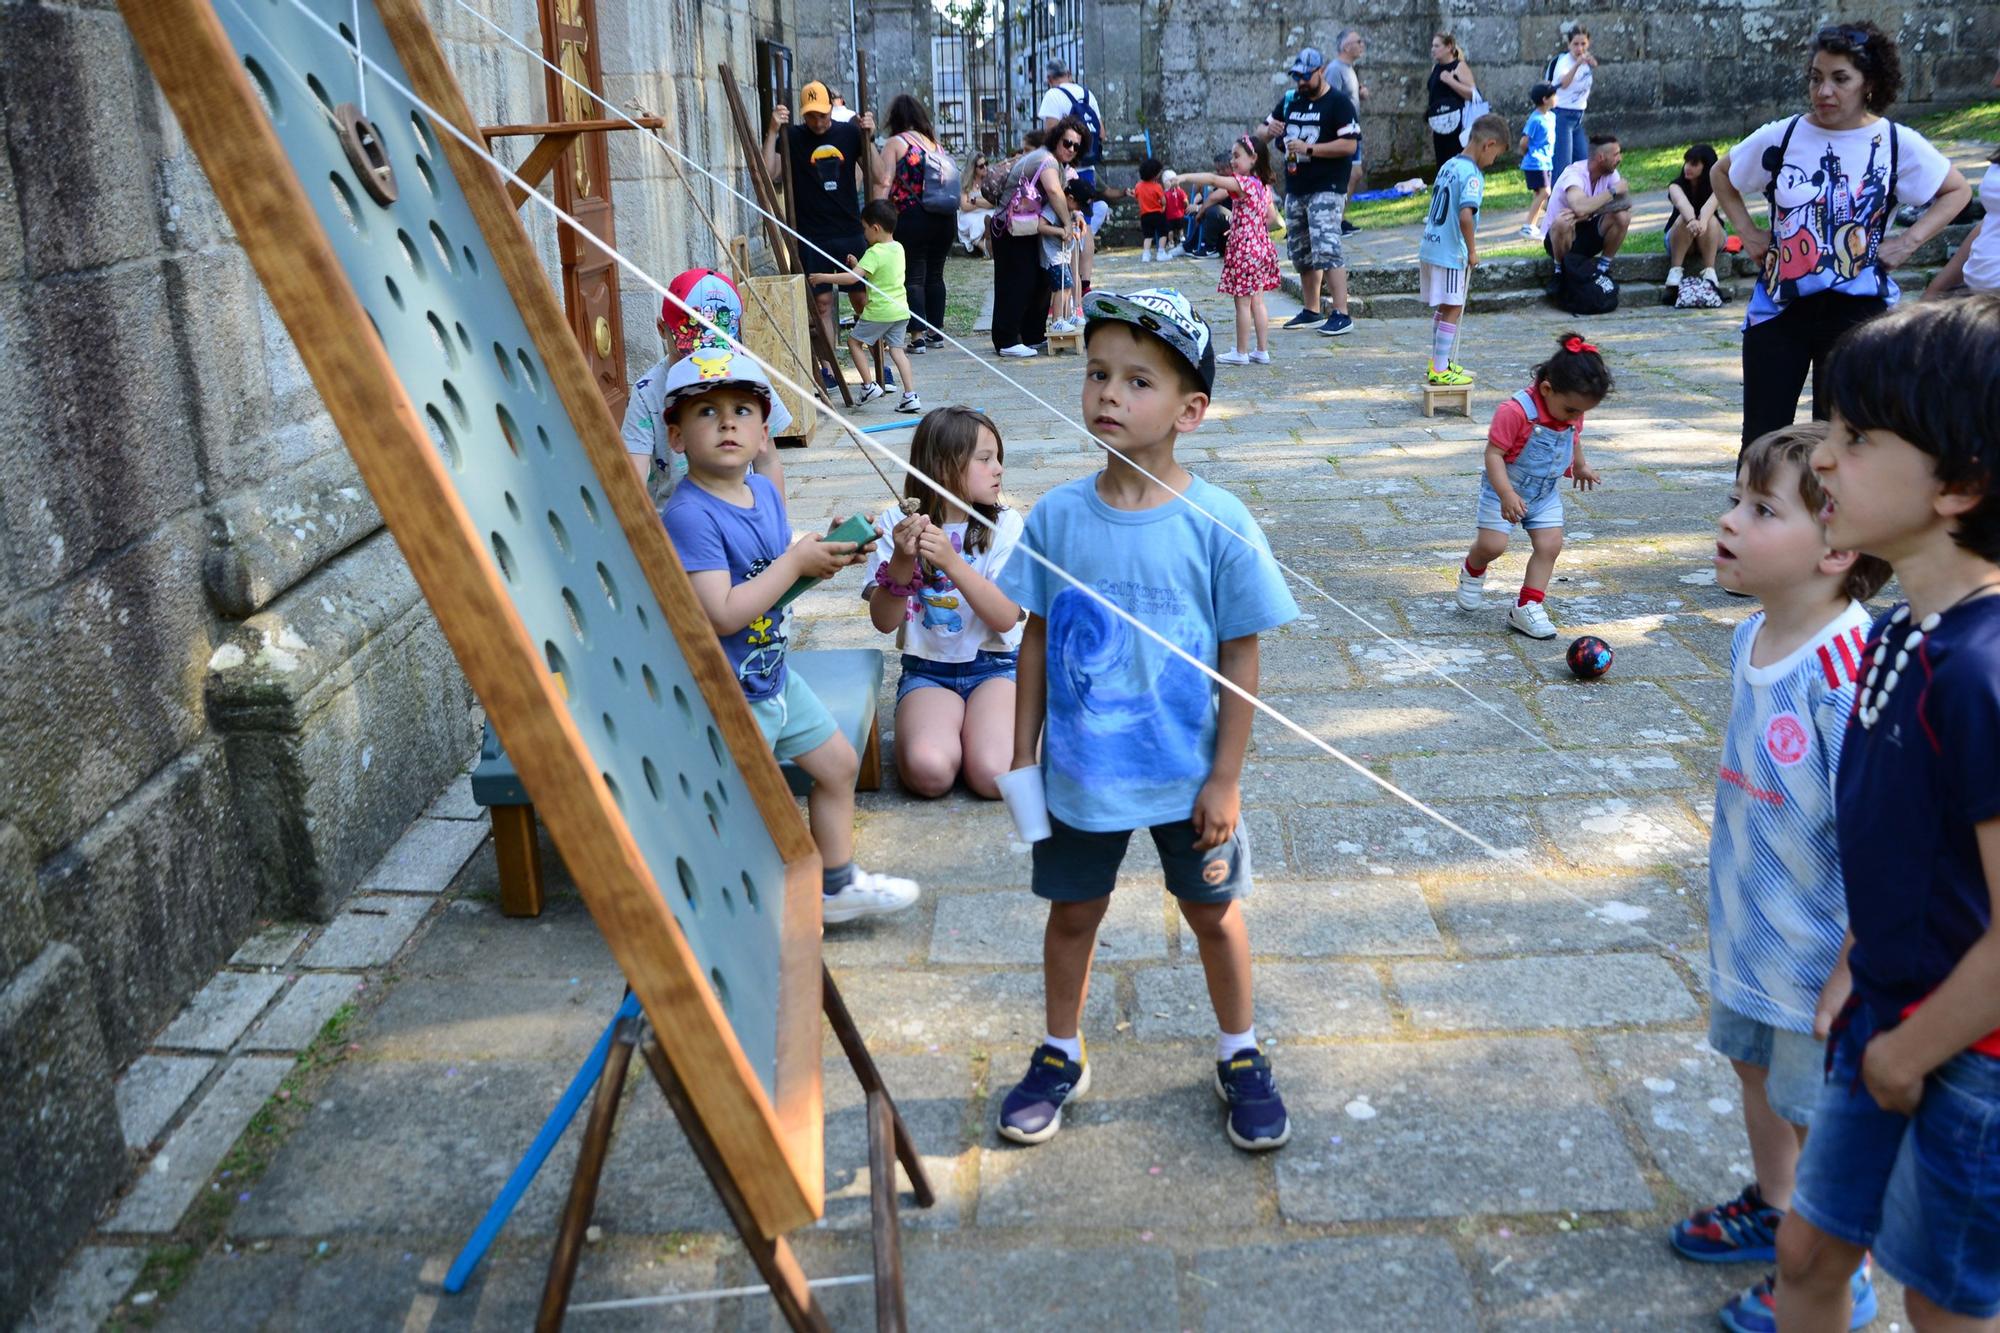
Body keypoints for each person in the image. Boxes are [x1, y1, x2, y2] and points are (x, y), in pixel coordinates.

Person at [993, 286, 1301, 1151]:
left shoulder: (1220, 524)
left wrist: (1227, 777)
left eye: (1138, 381)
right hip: (1080, 775)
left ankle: (1239, 1051)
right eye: (1097, 374)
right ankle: (1060, 1049)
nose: (1108, 396)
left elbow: (1243, 654)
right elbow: (1035, 640)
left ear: (1190, 410)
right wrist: (1022, 758)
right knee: (1072, 914)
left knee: (1214, 912)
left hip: (1185, 777)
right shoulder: (1055, 516)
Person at [1779, 294, 2000, 1333]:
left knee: (1940, 1305)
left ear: (1957, 484)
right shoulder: (1897, 634)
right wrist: (1853, 963)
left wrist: (1907, 1053)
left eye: (1855, 438)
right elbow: (1907, 850)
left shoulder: (1978, 672)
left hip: (1961, 1060)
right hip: (1881, 1013)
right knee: (1808, 1251)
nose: (1821, 459)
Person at [1668, 422, 1891, 1333]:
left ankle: (1842, 1265)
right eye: (1735, 499)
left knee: (1817, 1113)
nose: (1728, 520)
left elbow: (1886, 844)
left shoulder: (1850, 675)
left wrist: (1853, 964)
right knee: (1753, 1071)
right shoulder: (1752, 635)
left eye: (1760, 509)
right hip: (1749, 925)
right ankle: (1774, 1204)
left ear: (1837, 550)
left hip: (1819, 963)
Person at [656, 348, 920, 925]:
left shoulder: (765, 495)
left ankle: (836, 885)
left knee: (836, 764)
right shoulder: (689, 516)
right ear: (676, 437)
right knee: (739, 812)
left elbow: (773, 574)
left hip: (772, 675)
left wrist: (824, 551)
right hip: (725, 696)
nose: (728, 422)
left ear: (764, 430)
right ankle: (719, 915)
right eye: (706, 413)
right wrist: (795, 562)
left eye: (743, 410)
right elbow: (723, 613)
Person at [1713, 22, 1970, 450]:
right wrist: (1750, 233)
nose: (1824, 92)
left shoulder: (1893, 142)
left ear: (1869, 83)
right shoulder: (1786, 135)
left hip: (1859, 314)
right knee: (1762, 437)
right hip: (1780, 312)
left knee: (1843, 440)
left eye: (1839, 79)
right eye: (1816, 78)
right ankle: (1756, 513)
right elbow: (1723, 173)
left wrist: (1909, 242)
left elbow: (1957, 190)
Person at [864, 406, 1023, 799]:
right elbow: (884, 622)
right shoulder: (894, 524)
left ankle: (1028, 721)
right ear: (941, 466)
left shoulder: (1005, 525)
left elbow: (1005, 617)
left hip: (997, 667)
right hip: (928, 671)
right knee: (929, 772)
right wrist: (902, 560)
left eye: (997, 457)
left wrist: (952, 562)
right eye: (985, 459)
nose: (999, 468)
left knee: (993, 774)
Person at [1453, 333, 1611, 640]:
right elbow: (1494, 455)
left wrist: (1579, 465)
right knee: (1492, 546)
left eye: (1582, 412)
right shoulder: (1514, 412)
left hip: (1544, 495)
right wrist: (1506, 494)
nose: (1576, 418)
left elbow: (1573, 437)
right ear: (1547, 389)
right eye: (1571, 411)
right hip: (1503, 490)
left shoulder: (1571, 412)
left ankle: (1527, 606)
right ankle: (1473, 569)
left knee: (1550, 545)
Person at [624, 269, 792, 503]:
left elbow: (767, 460)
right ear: (662, 328)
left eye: (716, 345)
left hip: (740, 513)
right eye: (692, 350)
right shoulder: (647, 392)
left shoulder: (746, 375)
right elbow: (632, 476)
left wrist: (777, 524)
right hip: (674, 522)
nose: (704, 362)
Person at [764, 82, 877, 368]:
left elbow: (878, 174)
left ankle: (875, 361)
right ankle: (830, 368)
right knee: (822, 304)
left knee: (862, 299)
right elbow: (768, 173)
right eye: (811, 116)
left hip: (849, 228)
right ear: (803, 115)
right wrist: (774, 130)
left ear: (831, 109)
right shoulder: (793, 136)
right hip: (812, 233)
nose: (817, 121)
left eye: (822, 115)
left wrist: (869, 138)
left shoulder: (849, 133)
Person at [1257, 46, 1360, 336]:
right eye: (1297, 76)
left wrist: (1310, 148)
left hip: (1327, 186)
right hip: (1297, 186)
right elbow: (1260, 133)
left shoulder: (1338, 104)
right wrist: (1270, 130)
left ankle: (1342, 312)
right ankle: (1311, 309)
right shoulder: (1290, 101)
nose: (1301, 82)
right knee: (1301, 250)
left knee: (1327, 247)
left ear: (1321, 71)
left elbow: (1350, 145)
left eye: (1306, 76)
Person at [1419, 114, 1508, 389]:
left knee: (1447, 305)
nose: (1492, 162)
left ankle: (1439, 361)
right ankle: (1440, 367)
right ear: (1488, 145)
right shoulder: (1472, 175)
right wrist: (1472, 251)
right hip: (1451, 251)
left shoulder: (1449, 164)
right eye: (1496, 155)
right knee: (1454, 306)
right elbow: (1465, 216)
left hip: (1431, 244)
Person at [1174, 137, 1282, 364]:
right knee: (1258, 302)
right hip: (1261, 246)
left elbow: (1214, 180)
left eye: (1236, 156)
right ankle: (1262, 351)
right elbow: (1271, 217)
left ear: (1253, 159)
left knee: (1242, 303)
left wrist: (1183, 177)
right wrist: (1247, 226)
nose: (1232, 161)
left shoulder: (1244, 183)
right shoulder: (1263, 184)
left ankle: (1241, 352)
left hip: (1245, 251)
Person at [807, 199, 921, 414]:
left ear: (876, 228)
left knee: (854, 343)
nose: (865, 233)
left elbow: (852, 280)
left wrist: (824, 277)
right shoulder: (898, 248)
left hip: (879, 311)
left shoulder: (874, 252)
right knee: (897, 351)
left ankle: (869, 386)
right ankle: (910, 395)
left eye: (865, 228)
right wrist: (857, 264)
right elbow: (877, 273)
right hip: (900, 309)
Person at [988, 118, 1083, 358]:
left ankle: (1032, 334)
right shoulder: (1046, 159)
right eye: (1067, 142)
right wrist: (1067, 224)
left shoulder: (1054, 162)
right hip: (1010, 227)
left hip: (1026, 228)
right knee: (1016, 281)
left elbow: (1062, 196)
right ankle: (1007, 339)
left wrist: (1073, 216)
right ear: (1056, 139)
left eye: (1076, 146)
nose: (1071, 149)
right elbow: (1053, 191)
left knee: (1038, 280)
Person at [875, 94, 954, 350]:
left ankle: (917, 336)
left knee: (913, 275)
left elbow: (885, 181)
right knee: (935, 275)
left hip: (912, 216)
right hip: (944, 218)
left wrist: (876, 215)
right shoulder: (935, 145)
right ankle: (936, 331)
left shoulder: (896, 143)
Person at [1545, 134, 1631, 274]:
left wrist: (1589, 213)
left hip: (1588, 233)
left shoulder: (1610, 173)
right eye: (1616, 154)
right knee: (1563, 221)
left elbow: (1626, 203)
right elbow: (1579, 207)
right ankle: (1559, 270)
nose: (1619, 158)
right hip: (1560, 238)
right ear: (1601, 157)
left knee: (1623, 216)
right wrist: (1612, 191)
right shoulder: (1574, 175)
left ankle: (1603, 268)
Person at [1664, 143, 1726, 293]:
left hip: (1711, 235)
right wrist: (1692, 221)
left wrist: (1702, 222)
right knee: (1682, 219)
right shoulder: (1675, 186)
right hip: (1680, 237)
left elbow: (1709, 207)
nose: (1687, 167)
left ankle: (1710, 272)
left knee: (1711, 220)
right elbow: (1681, 203)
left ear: (1706, 166)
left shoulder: (1718, 185)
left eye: (1694, 164)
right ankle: (1675, 271)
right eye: (1686, 162)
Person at [1331, 27, 1368, 233]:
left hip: (1352, 130)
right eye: (1358, 42)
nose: (1362, 45)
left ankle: (1339, 220)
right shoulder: (1336, 69)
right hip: (1343, 132)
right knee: (1351, 175)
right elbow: (1331, 99)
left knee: (1354, 174)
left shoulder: (1348, 68)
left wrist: (1358, 93)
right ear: (1346, 46)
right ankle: (1336, 221)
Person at [1549, 28, 1597, 181]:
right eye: (1575, 44)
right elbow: (1563, 83)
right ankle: (1555, 202)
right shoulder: (1565, 62)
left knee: (1583, 162)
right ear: (1569, 44)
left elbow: (1590, 71)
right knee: (1563, 165)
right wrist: (1576, 65)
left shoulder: (1585, 60)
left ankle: (1580, 198)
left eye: (1583, 44)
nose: (1579, 48)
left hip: (1577, 117)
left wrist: (1591, 63)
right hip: (1562, 115)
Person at [1425, 33, 1477, 170]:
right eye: (1432, 46)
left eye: (1437, 46)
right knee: (1442, 164)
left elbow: (1473, 94)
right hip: (1439, 124)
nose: (1433, 49)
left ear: (1449, 47)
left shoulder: (1459, 66)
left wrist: (1451, 81)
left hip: (1457, 124)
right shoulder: (1435, 68)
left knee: (1456, 161)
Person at [1519, 83, 1558, 237]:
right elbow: (1524, 142)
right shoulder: (1535, 120)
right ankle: (1528, 225)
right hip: (1536, 162)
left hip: (1546, 161)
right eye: (1553, 96)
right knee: (1545, 192)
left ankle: (1533, 225)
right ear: (1545, 99)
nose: (1556, 98)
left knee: (1541, 194)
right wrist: (1527, 154)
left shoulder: (1551, 117)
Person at [957, 152, 996, 257]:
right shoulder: (966, 181)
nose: (985, 168)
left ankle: (988, 245)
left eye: (986, 163)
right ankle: (986, 248)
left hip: (985, 211)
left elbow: (991, 204)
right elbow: (964, 206)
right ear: (973, 168)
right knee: (976, 223)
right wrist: (982, 202)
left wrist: (974, 201)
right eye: (981, 166)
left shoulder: (990, 179)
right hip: (968, 214)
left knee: (992, 217)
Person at [1135, 157, 1169, 262]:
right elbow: (1163, 201)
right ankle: (1161, 252)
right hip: (1157, 214)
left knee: (1148, 236)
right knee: (1163, 234)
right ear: (1155, 174)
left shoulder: (1138, 186)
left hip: (1145, 215)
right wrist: (1163, 206)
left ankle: (1146, 254)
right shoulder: (1157, 186)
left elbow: (1137, 196)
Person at [1163, 169, 1191, 252]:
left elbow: (1163, 204)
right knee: (1180, 228)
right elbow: (1185, 201)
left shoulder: (1165, 194)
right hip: (1180, 215)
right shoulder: (1181, 191)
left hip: (1169, 216)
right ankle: (1181, 239)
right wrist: (1186, 207)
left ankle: (1171, 242)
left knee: (1170, 230)